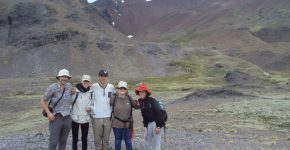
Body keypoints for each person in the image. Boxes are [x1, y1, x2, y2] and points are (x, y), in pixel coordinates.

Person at [40, 69, 73, 150]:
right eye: (62, 76)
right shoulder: (52, 87)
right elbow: (43, 100)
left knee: (63, 141)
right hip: (55, 117)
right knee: (53, 141)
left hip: (67, 117)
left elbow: (77, 92)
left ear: (68, 78)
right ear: (58, 77)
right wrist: (48, 113)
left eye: (66, 77)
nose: (64, 78)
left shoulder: (69, 87)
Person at [91, 69, 116, 150]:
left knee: (106, 140)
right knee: (97, 141)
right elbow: (85, 93)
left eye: (105, 76)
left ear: (107, 77)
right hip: (96, 117)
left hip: (108, 117)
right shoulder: (93, 86)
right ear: (99, 77)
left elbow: (116, 98)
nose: (103, 78)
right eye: (101, 76)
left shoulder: (111, 87)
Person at [135, 84, 165, 150]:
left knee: (157, 144)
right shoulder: (141, 101)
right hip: (148, 124)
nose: (141, 93)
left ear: (146, 93)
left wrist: (158, 126)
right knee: (148, 142)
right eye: (140, 92)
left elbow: (159, 112)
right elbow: (144, 115)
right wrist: (145, 125)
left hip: (155, 123)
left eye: (143, 92)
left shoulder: (152, 100)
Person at [110, 81, 138, 150]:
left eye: (124, 88)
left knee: (128, 141)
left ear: (126, 90)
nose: (122, 90)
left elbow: (137, 106)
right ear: (118, 89)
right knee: (117, 141)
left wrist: (143, 100)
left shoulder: (129, 98)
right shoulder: (113, 98)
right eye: (120, 88)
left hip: (128, 124)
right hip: (116, 124)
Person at [71, 74, 93, 150]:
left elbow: (93, 103)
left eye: (87, 82)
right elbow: (70, 102)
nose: (86, 83)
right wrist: (71, 92)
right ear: (81, 81)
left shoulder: (91, 92)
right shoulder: (75, 91)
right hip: (75, 118)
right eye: (84, 81)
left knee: (84, 138)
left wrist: (90, 108)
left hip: (85, 118)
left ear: (90, 83)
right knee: (75, 138)